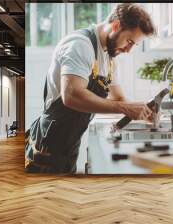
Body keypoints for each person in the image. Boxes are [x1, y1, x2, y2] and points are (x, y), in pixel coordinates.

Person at [25, 3, 157, 173]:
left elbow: (118, 99)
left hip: (70, 141)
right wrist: (126, 108)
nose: (128, 50)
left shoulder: (108, 59)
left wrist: (142, 111)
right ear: (116, 26)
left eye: (134, 45)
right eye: (129, 41)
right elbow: (72, 95)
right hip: (49, 143)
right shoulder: (80, 45)